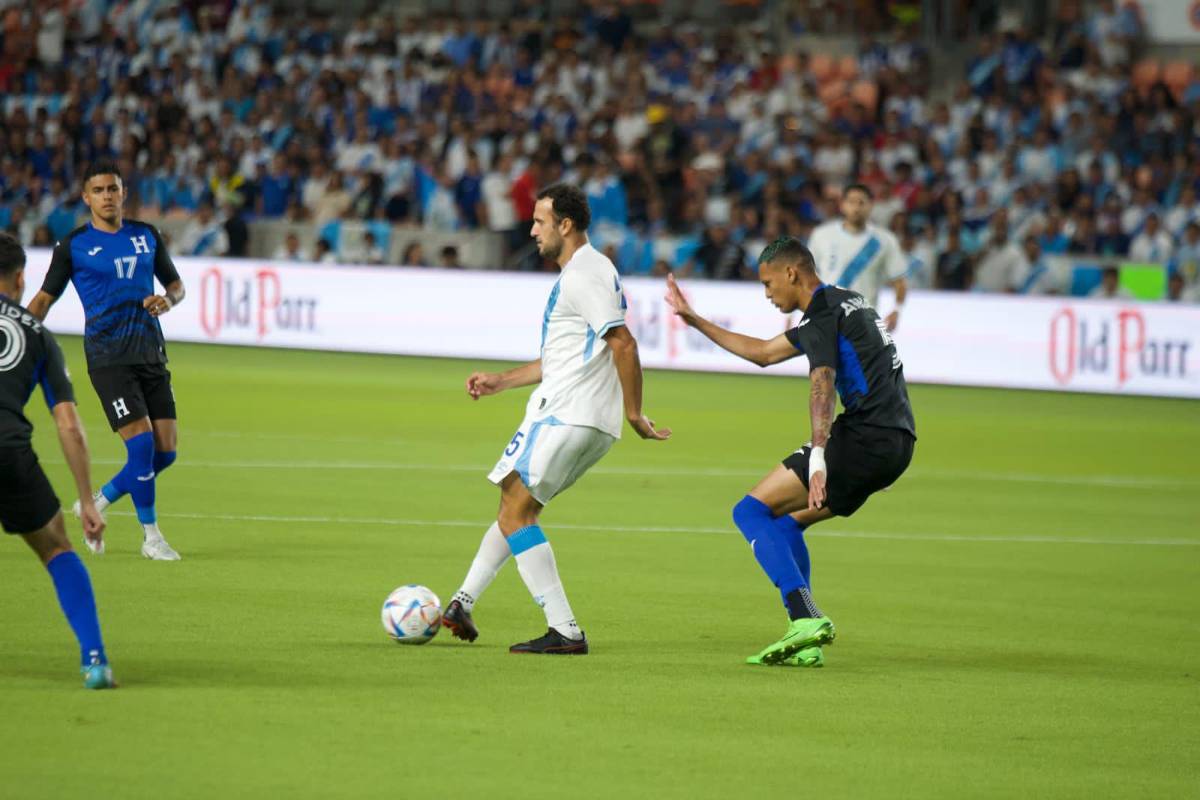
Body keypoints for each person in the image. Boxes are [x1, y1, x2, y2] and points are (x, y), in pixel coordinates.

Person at [664, 236, 916, 667]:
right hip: (897, 439)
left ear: (791, 273)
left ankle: (804, 618)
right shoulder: (848, 302)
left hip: (863, 438)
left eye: (768, 283)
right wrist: (695, 320)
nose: (766, 294)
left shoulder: (821, 317)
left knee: (751, 512)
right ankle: (807, 638)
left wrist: (820, 458)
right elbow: (763, 353)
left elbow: (822, 384)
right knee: (785, 524)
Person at [442, 184, 670, 655]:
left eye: (539, 221)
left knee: (516, 510)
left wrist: (635, 412)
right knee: (516, 506)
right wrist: (501, 381)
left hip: (567, 413)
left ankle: (565, 629)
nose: (532, 230)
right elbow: (566, 357)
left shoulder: (583, 274)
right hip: (580, 415)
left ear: (565, 225)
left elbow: (623, 344)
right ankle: (462, 601)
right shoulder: (590, 271)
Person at [27, 161, 184, 561]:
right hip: (108, 356)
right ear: (86, 197)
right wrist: (17, 331)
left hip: (150, 351)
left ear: (123, 193)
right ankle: (151, 537)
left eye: (113, 189)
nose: (107, 196)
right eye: (99, 191)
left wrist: (168, 300)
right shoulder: (73, 246)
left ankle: (97, 500)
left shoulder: (146, 236)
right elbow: (44, 299)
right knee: (143, 445)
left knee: (165, 452)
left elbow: (176, 285)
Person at [0, 233, 115, 688]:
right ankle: (95, 661)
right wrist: (87, 500)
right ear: (22, 278)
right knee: (57, 548)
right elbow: (68, 425)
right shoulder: (40, 336)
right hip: (8, 451)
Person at [806, 184, 908, 330]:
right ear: (842, 205)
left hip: (864, 324)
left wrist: (897, 310)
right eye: (851, 202)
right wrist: (793, 316)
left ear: (871, 205)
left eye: (862, 202)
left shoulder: (884, 240)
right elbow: (806, 277)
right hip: (826, 320)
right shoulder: (821, 235)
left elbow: (900, 281)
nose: (856, 208)